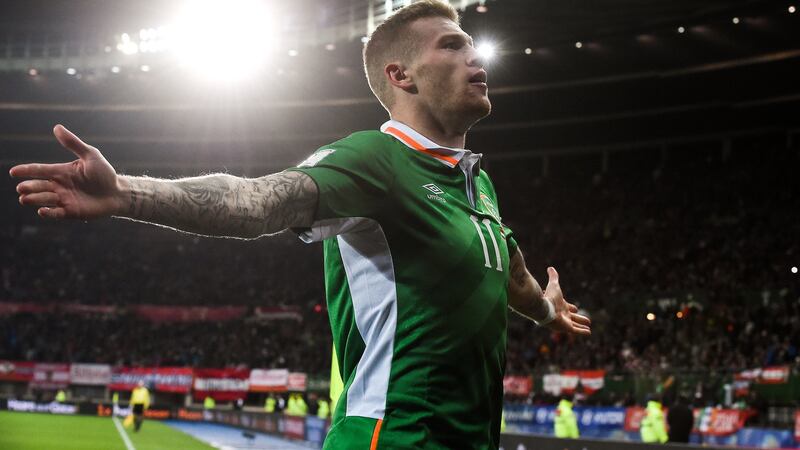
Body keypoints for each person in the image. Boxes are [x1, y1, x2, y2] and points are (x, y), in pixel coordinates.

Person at [9, 1, 591, 448]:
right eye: (452, 45)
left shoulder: (476, 184)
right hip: (394, 435)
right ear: (402, 75)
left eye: (472, 46)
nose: (476, 57)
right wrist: (126, 192)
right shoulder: (374, 160)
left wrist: (544, 309)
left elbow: (504, 261)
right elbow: (256, 199)